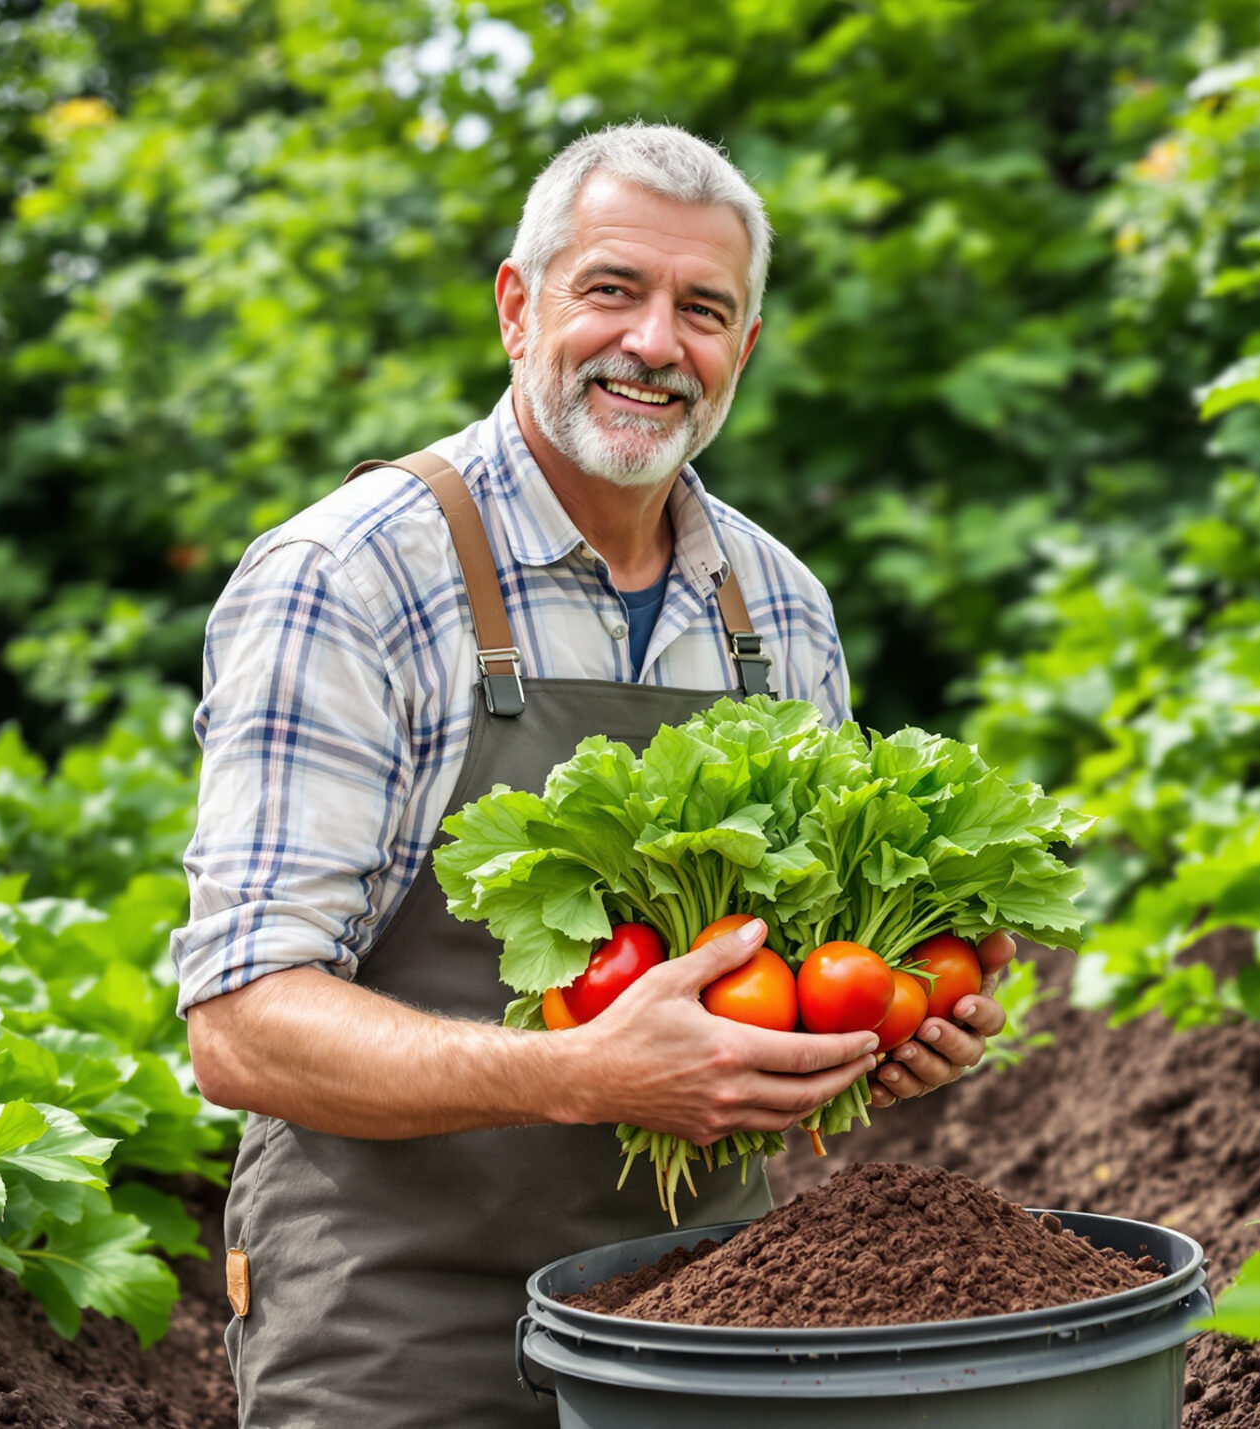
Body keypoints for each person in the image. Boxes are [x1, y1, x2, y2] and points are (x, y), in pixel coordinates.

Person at [170, 121, 1021, 1428]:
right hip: (401, 1322)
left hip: (709, 1308)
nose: (654, 344)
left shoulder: (777, 608)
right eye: (612, 289)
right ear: (520, 307)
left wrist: (883, 1036)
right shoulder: (352, 578)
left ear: (742, 348)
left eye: (704, 309)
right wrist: (585, 1072)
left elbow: (787, 980)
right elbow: (240, 1021)